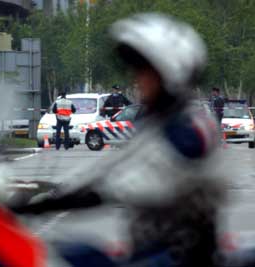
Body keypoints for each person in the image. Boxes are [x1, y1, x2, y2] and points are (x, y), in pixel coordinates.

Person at [11, 13, 222, 266]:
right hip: (150, 248)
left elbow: (125, 183)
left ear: (170, 74)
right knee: (68, 253)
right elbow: (103, 169)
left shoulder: (191, 127)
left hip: (181, 255)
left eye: (144, 72)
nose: (137, 79)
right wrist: (39, 195)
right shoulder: (158, 120)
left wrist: (57, 201)